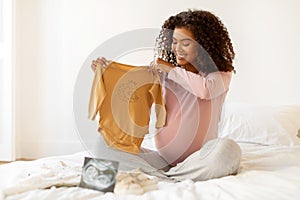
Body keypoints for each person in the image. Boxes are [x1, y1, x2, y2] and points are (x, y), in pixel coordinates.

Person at [91, 9, 241, 182]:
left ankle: (162, 176)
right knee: (104, 139)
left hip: (199, 160)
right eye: (174, 42)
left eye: (185, 43)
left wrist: (169, 69)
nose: (177, 49)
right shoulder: (166, 74)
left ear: (204, 46)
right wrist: (108, 71)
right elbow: (131, 83)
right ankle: (170, 176)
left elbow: (205, 90)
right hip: (162, 161)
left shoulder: (220, 74)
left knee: (228, 150)